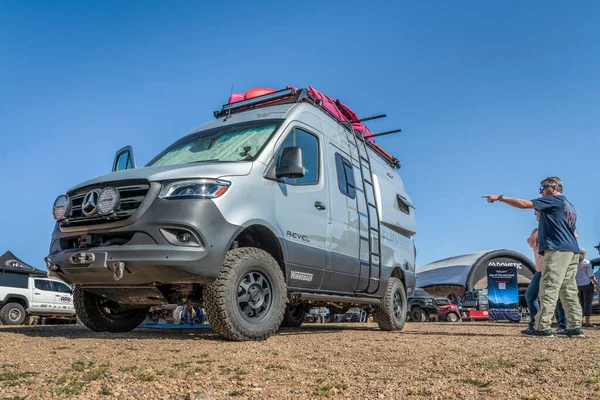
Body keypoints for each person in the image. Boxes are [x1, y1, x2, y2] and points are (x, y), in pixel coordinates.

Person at [482, 176, 583, 338]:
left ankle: (541, 328)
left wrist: (500, 198)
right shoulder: (570, 206)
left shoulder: (553, 201)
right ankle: (575, 327)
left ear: (554, 187)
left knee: (549, 288)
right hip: (572, 251)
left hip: (557, 250)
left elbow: (524, 204)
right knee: (568, 290)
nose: (540, 191)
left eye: (543, 188)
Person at [524, 211, 567, 334]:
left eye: (539, 212)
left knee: (557, 297)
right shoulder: (536, 230)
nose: (536, 214)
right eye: (536, 213)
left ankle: (564, 325)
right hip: (540, 269)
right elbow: (530, 242)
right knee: (530, 296)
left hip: (553, 267)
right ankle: (535, 324)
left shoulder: (555, 226)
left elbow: (573, 236)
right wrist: (541, 228)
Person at [575, 248, 600, 328]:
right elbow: (591, 276)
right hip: (587, 284)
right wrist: (597, 285)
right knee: (588, 303)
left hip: (577, 285)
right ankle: (588, 322)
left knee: (579, 303)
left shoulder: (573, 263)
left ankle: (579, 321)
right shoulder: (586, 262)